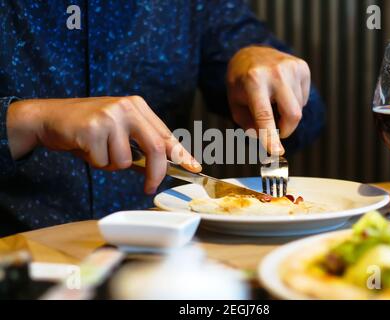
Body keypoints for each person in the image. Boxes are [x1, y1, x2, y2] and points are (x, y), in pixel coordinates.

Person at [0, 1, 324, 236]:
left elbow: (306, 123)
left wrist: (255, 60)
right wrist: (29, 120)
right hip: (17, 253)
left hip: (168, 257)